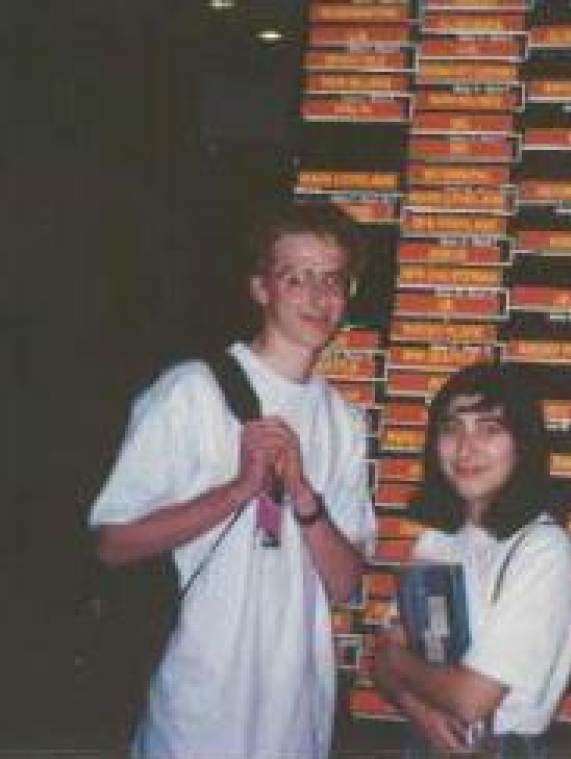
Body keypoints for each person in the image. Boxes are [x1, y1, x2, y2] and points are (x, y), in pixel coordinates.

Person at [88, 201, 377, 757]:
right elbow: (112, 543)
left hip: (297, 719)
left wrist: (302, 495)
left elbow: (346, 586)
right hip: (195, 714)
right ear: (261, 288)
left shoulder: (344, 421)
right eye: (296, 277)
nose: (317, 297)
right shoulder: (191, 392)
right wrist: (238, 491)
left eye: (332, 279)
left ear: (349, 292)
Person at [371, 363, 571, 756]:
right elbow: (378, 663)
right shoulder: (439, 538)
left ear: (523, 443)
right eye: (452, 429)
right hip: (426, 740)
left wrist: (397, 659)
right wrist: (421, 711)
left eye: (490, 429)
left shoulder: (542, 549)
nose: (466, 449)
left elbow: (472, 698)